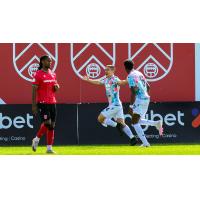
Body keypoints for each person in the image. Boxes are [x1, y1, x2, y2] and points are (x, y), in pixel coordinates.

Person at [82, 65, 137, 146]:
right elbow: (98, 82)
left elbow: (122, 82)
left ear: (113, 71)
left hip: (115, 105)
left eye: (107, 70)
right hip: (117, 105)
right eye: (105, 70)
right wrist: (88, 80)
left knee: (100, 118)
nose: (106, 71)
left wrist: (130, 79)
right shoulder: (105, 79)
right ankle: (133, 138)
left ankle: (116, 125)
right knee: (122, 122)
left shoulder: (114, 79)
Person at [123, 59, 163, 147]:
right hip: (146, 98)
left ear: (125, 68)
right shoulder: (139, 73)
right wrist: (145, 96)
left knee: (134, 122)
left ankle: (146, 143)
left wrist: (131, 106)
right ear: (133, 66)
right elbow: (148, 86)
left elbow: (133, 92)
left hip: (140, 100)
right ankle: (156, 123)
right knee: (138, 120)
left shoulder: (130, 76)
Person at [32, 55, 60, 153]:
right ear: (42, 62)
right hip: (42, 103)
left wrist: (57, 87)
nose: (50, 63)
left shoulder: (53, 74)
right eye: (48, 61)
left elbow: (55, 86)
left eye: (51, 61)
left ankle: (49, 148)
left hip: (52, 102)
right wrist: (34, 105)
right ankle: (36, 139)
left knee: (52, 125)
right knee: (47, 123)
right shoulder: (38, 74)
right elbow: (34, 90)